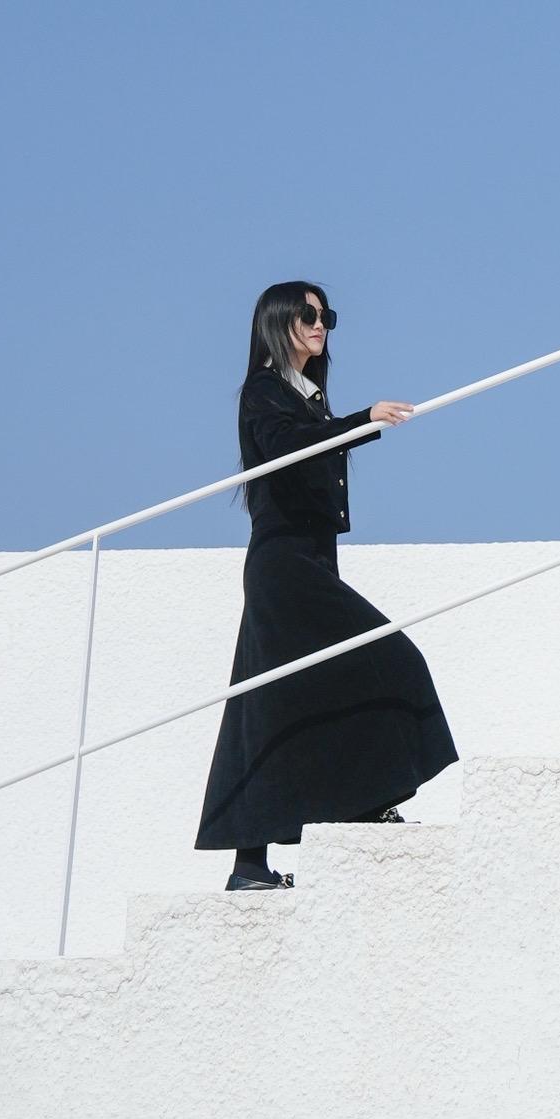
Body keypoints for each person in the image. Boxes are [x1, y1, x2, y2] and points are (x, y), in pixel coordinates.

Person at [195, 280, 458, 891]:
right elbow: (288, 448)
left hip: (310, 560)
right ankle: (355, 809)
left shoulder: (306, 396)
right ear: (278, 321)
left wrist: (344, 421)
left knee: (287, 696)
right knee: (382, 658)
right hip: (283, 565)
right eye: (308, 315)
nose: (320, 325)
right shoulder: (265, 391)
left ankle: (255, 862)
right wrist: (361, 421)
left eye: (326, 316)